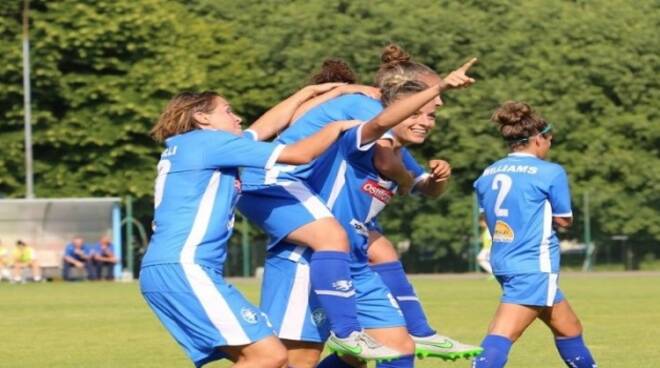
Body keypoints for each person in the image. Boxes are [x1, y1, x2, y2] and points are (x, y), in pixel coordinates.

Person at [139, 83, 361, 368]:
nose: (237, 117)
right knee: (269, 356)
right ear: (202, 118)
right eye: (227, 111)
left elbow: (262, 128)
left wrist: (309, 93)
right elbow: (299, 155)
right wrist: (338, 125)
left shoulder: (192, 145)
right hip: (186, 268)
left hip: (172, 268)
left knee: (268, 358)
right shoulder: (208, 143)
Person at [472, 101, 597, 368]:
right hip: (534, 264)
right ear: (538, 139)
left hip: (504, 261)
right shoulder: (550, 171)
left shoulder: (489, 172)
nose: (550, 146)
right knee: (501, 336)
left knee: (570, 328)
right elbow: (564, 220)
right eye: (550, 140)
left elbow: (487, 216)